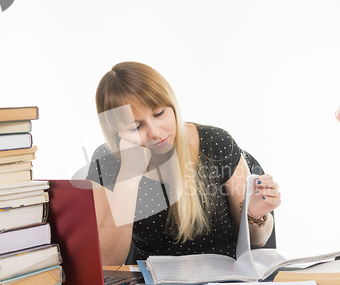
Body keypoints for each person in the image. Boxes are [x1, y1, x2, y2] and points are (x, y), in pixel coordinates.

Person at [87, 61, 281, 266]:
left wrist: (255, 214)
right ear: (116, 134)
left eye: (159, 113)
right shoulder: (107, 161)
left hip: (227, 281)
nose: (155, 132)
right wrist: (128, 179)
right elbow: (106, 264)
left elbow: (259, 240)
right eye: (136, 126)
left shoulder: (217, 143)